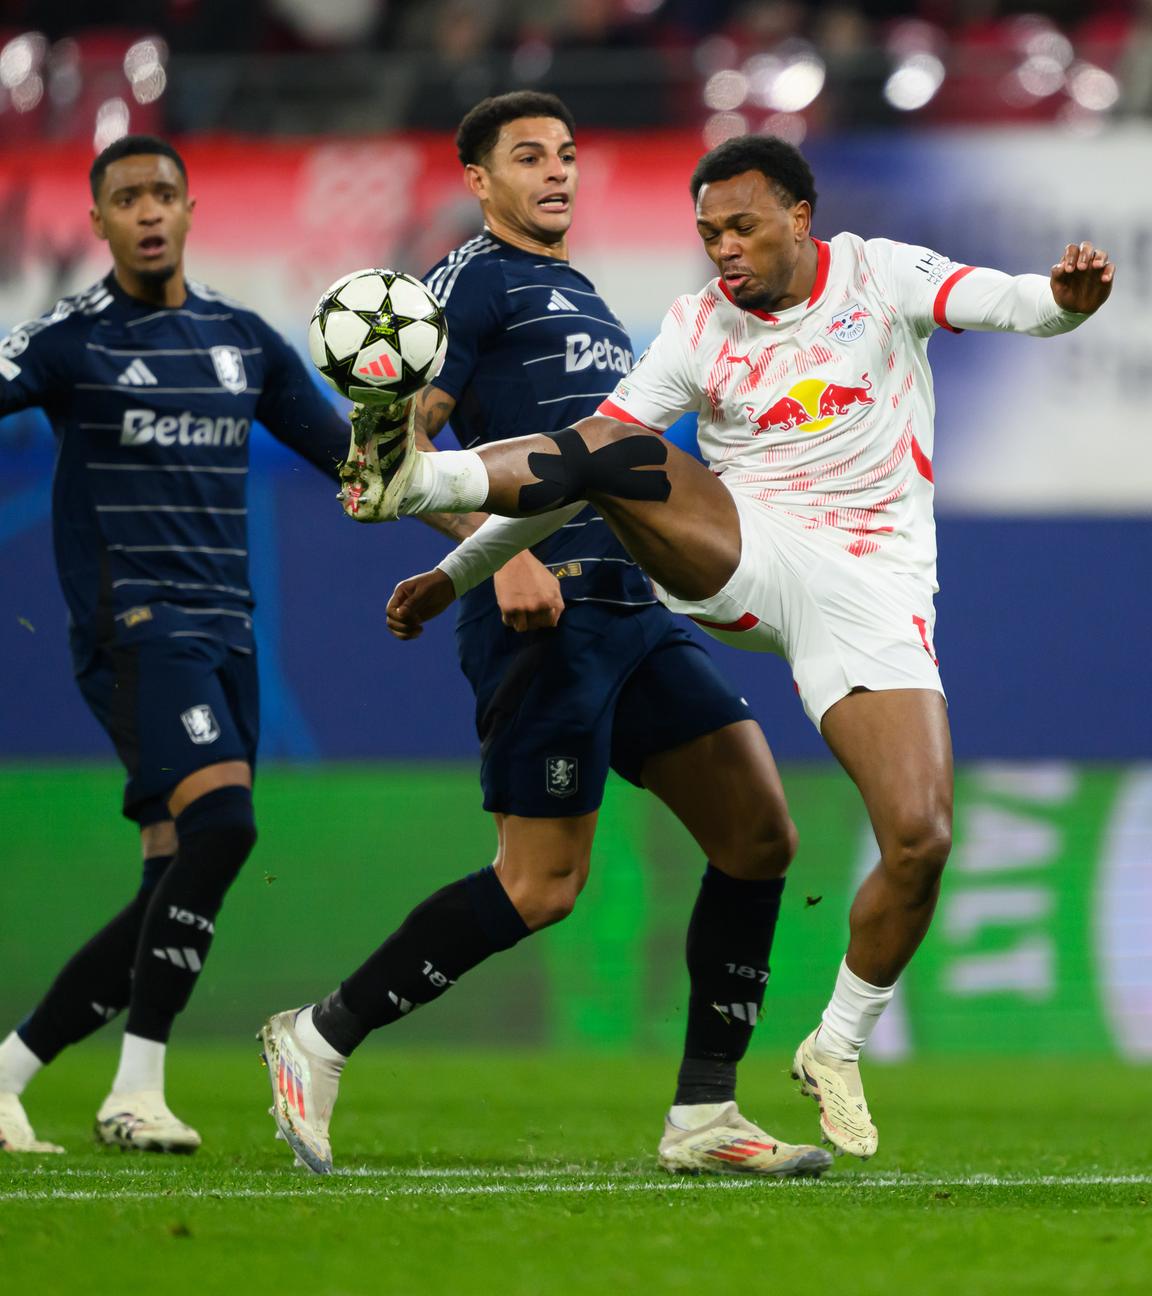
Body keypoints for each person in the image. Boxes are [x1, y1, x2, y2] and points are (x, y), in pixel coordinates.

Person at [346, 134, 1113, 1160]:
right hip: (747, 554)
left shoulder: (882, 275)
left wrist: (1067, 299)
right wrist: (458, 567)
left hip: (874, 595)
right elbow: (584, 463)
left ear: (802, 216)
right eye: (708, 232)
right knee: (617, 444)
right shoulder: (696, 327)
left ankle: (835, 1046)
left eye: (742, 227)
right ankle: (413, 478)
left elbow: (1020, 303)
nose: (724, 250)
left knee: (922, 836)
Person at [259, 94, 831, 1179]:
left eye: (567, 153)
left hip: (631, 605)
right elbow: (397, 456)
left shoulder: (584, 294)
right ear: (478, 179)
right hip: (542, 608)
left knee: (758, 834)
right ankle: (318, 1034)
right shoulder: (469, 280)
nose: (557, 172)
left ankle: (705, 1115)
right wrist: (493, 550)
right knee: (541, 886)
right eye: (528, 157)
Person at [0, 135, 350, 1155]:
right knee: (226, 828)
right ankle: (136, 1089)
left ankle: (12, 1071)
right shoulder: (69, 340)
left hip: (227, 636)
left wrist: (482, 539)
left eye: (164, 193)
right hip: (139, 632)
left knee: (173, 876)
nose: (149, 211)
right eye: (127, 199)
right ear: (99, 222)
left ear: (191, 210)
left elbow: (346, 463)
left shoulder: (240, 341)